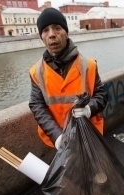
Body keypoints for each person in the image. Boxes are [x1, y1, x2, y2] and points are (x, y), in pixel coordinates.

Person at [29, 8, 108, 150]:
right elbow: (37, 105)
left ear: (67, 33)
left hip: (89, 136)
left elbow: (101, 95)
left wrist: (89, 109)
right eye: (45, 30)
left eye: (57, 28)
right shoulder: (36, 72)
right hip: (59, 141)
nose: (52, 35)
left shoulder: (88, 65)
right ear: (41, 37)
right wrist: (56, 135)